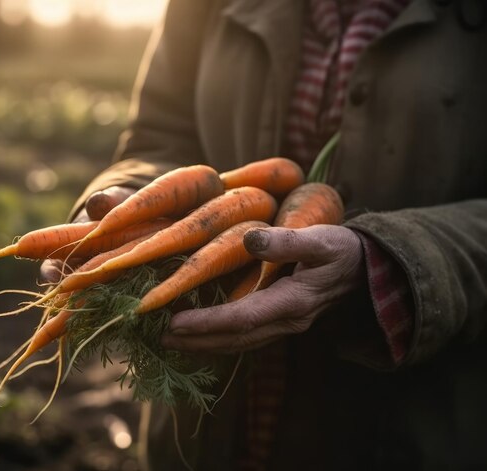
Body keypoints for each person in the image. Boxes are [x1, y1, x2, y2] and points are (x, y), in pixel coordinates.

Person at [43, 0, 487, 469]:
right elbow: (159, 134)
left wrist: (385, 261)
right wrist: (122, 209)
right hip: (208, 427)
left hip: (408, 425)